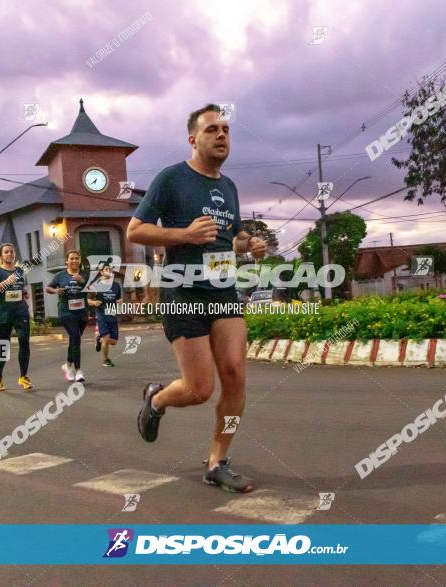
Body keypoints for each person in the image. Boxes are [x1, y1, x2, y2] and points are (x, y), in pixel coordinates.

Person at [126, 103, 267, 493]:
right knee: (200, 390)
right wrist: (184, 235)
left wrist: (249, 244)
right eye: (211, 130)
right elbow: (135, 231)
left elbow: (232, 236)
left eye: (225, 129)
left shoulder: (229, 187)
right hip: (182, 291)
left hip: (222, 292)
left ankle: (218, 461)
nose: (221, 135)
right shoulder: (171, 179)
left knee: (235, 377)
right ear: (193, 139)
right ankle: (156, 400)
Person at [0, 243, 32, 392]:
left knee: (24, 341)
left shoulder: (19, 271)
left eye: (12, 252)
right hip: (3, 314)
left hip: (20, 312)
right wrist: (6, 282)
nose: (10, 254)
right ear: (1, 255)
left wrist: (24, 293)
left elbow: (19, 288)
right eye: (6, 252)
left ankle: (23, 377)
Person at [45, 250, 89, 382]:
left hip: (82, 312)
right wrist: (56, 290)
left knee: (74, 339)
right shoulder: (60, 276)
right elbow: (48, 288)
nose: (74, 261)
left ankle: (68, 365)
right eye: (72, 259)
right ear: (67, 261)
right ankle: (78, 371)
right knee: (75, 337)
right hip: (66, 312)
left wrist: (83, 282)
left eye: (77, 258)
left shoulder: (85, 275)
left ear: (80, 260)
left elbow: (94, 290)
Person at [88, 265, 121, 368]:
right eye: (106, 269)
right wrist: (94, 302)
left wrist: (119, 301)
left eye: (110, 269)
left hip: (112, 313)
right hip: (101, 314)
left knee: (114, 342)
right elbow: (87, 300)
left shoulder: (116, 285)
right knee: (106, 337)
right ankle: (106, 360)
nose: (109, 271)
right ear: (101, 272)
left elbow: (119, 298)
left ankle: (100, 339)